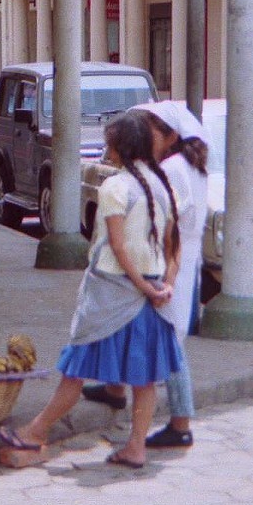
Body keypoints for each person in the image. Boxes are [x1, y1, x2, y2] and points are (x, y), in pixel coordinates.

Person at [0, 112, 183, 468]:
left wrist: (143, 285)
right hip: (151, 296)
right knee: (144, 381)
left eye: (109, 141)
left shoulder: (115, 187)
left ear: (121, 147)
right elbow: (175, 248)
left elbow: (117, 247)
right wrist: (163, 286)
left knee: (76, 369)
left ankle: (37, 431)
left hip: (111, 293)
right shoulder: (164, 188)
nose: (105, 148)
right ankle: (136, 447)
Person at [82, 101, 209, 449]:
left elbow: (169, 228)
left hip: (167, 261)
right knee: (133, 321)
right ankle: (114, 387)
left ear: (168, 136)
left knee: (167, 339)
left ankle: (180, 421)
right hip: (172, 259)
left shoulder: (173, 170)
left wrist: (160, 274)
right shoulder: (186, 166)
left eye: (148, 129)